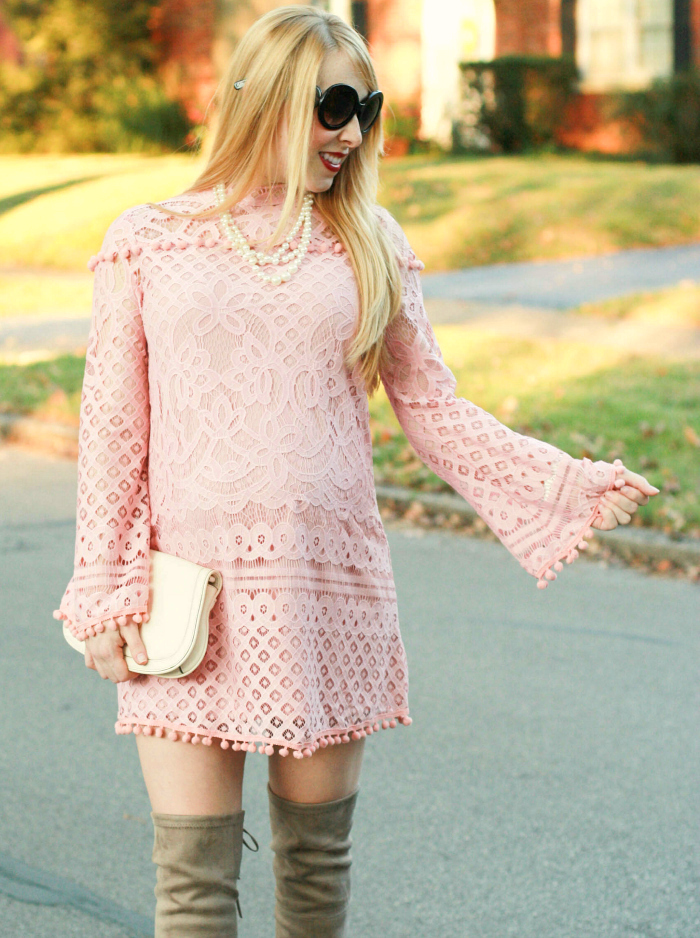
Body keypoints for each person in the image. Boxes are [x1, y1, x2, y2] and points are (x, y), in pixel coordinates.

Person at [53, 6, 659, 937]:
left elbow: (434, 409)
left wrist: (563, 486)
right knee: (193, 890)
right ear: (264, 97)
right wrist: (102, 587)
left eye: (364, 110)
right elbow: (111, 426)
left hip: (326, 590)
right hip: (187, 596)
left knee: (314, 875)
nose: (350, 133)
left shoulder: (367, 240)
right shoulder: (151, 240)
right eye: (333, 105)